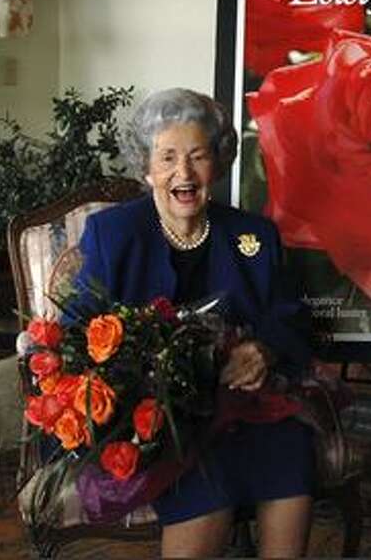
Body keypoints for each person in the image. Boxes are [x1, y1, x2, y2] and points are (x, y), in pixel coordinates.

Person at [71, 88, 314, 557]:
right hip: (159, 417)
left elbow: (290, 316)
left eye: (198, 156)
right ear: (146, 167)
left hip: (247, 402)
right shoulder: (114, 234)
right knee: (206, 466)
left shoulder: (254, 235)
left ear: (217, 164)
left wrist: (262, 349)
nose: (183, 173)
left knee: (289, 444)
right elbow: (80, 328)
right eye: (167, 158)